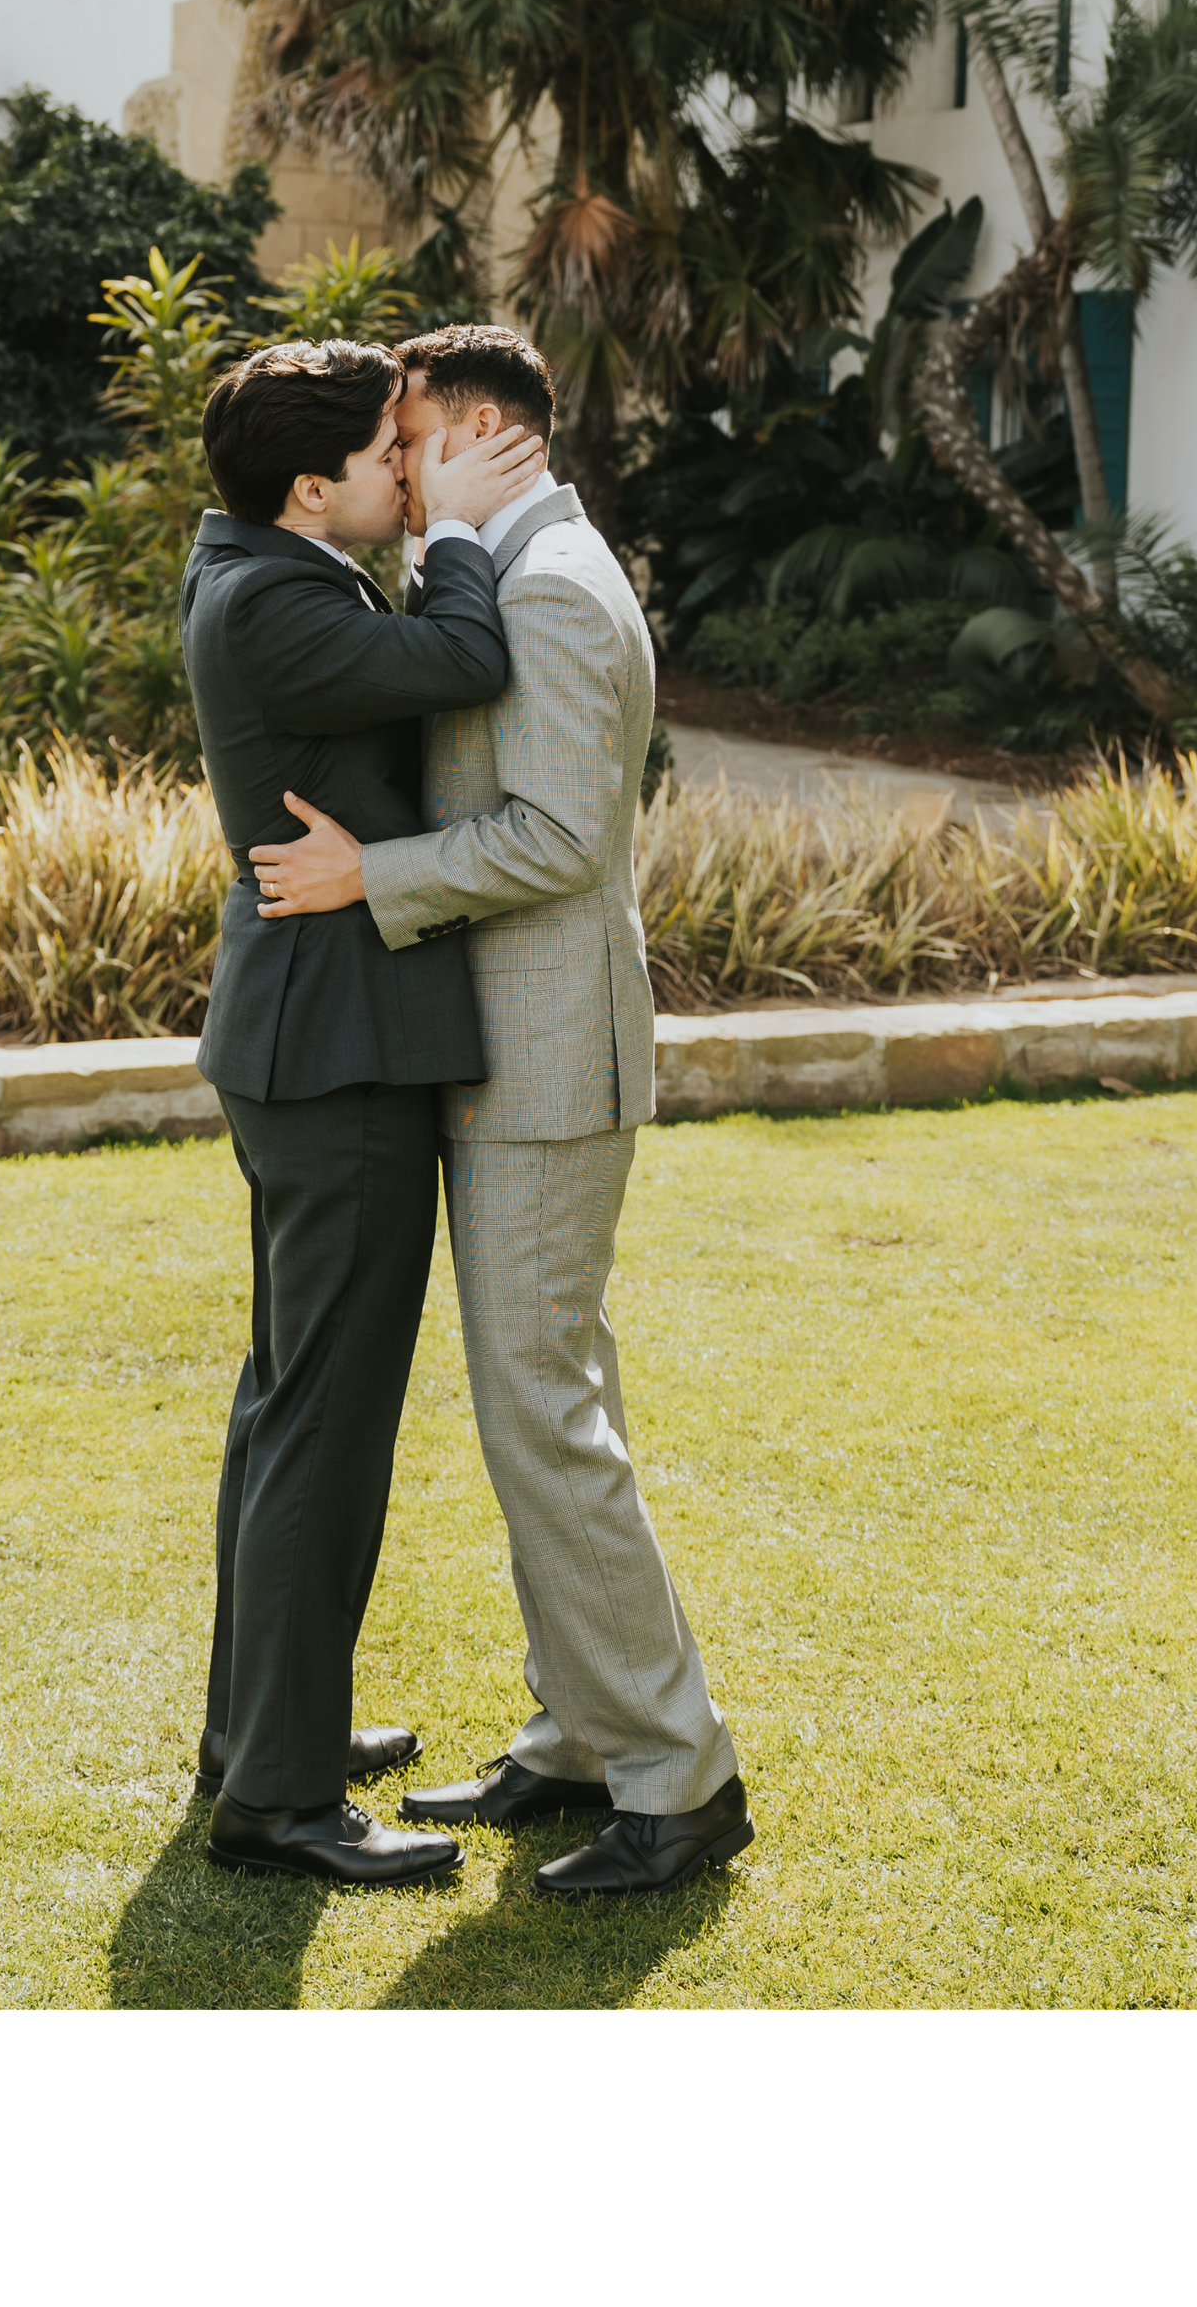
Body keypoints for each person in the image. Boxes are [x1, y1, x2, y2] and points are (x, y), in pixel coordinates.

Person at [250, 322, 752, 1898]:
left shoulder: (550, 585)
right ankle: (582, 1732)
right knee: (542, 1394)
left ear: (481, 430)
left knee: (546, 1407)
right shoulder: (510, 557)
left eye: (412, 439)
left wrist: (364, 876)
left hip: (544, 1064)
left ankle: (680, 1775)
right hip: (509, 1050)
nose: (398, 472)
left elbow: (554, 839)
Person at [181, 335, 551, 1888]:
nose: (414, 473)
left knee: (292, 1406)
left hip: (315, 1040)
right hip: (336, 1055)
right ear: (310, 482)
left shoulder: (275, 565)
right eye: (394, 458)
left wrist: (423, 519)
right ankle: (277, 1800)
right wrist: (462, 529)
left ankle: (270, 1728)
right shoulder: (275, 598)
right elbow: (467, 661)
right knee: (323, 1419)